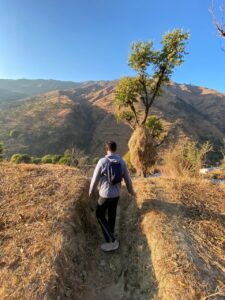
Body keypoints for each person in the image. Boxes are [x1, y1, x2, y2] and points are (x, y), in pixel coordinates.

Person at [89, 141, 135, 252]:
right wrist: (131, 191)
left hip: (104, 194)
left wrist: (90, 192)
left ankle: (112, 240)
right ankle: (111, 233)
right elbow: (127, 179)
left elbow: (95, 179)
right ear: (115, 149)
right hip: (116, 194)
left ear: (107, 149)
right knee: (112, 213)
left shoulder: (102, 161)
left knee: (99, 214)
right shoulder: (122, 162)